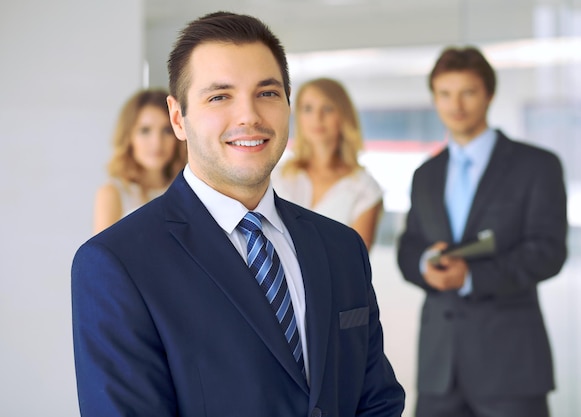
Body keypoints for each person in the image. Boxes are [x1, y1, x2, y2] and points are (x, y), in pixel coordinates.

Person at [72, 11, 404, 417]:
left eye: (267, 93)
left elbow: (378, 400)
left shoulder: (341, 247)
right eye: (219, 96)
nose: (249, 116)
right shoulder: (117, 263)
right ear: (178, 117)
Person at [397, 46, 567, 417]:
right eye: (444, 94)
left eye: (468, 92)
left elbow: (549, 250)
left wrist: (473, 276)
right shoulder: (426, 175)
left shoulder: (536, 166)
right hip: (439, 368)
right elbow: (409, 247)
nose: (455, 105)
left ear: (489, 94)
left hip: (510, 367)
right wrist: (426, 264)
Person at [272, 78, 383, 250]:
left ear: (343, 115)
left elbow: (354, 261)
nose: (317, 117)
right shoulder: (276, 177)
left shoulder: (365, 189)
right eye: (308, 109)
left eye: (328, 108)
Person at [92, 88, 187, 234]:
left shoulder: (187, 190)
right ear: (128, 137)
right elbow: (101, 256)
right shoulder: (113, 194)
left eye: (167, 130)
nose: (157, 142)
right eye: (145, 130)